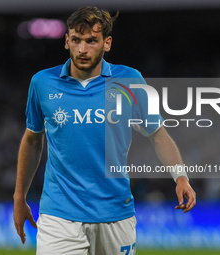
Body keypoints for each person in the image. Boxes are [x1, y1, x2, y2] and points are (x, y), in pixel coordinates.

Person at [13, 6, 196, 255]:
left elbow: (157, 134)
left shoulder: (129, 80)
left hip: (115, 214)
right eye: (76, 40)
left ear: (106, 43)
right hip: (59, 215)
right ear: (66, 41)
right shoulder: (42, 83)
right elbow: (33, 140)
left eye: (91, 41)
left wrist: (181, 177)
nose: (82, 49)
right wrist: (19, 197)